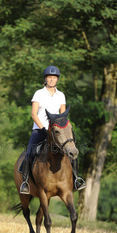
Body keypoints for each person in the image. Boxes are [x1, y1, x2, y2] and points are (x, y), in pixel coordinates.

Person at [20, 65, 86, 194]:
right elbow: (33, 114)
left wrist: (66, 130)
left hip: (57, 132)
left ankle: (76, 180)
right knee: (29, 152)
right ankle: (25, 183)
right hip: (40, 130)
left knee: (72, 151)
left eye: (54, 78)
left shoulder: (61, 95)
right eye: (49, 77)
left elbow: (63, 116)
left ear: (57, 80)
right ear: (45, 79)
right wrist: (43, 128)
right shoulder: (38, 93)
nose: (51, 80)